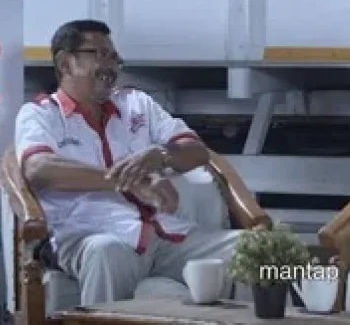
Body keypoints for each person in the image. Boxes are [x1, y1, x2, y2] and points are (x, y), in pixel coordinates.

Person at [14, 19, 240, 304]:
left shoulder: (137, 104)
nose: (110, 66)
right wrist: (127, 182)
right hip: (93, 235)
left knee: (253, 248)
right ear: (65, 63)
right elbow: (38, 168)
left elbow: (197, 151)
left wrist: (161, 155)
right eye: (99, 54)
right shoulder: (41, 114)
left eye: (113, 57)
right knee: (106, 251)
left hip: (166, 236)